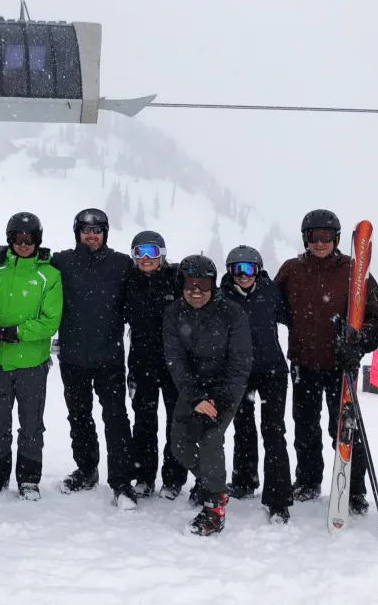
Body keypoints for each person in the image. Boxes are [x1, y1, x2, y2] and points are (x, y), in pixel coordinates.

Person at [274, 209, 378, 514]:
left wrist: (359, 342)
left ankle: (353, 489)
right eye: (313, 237)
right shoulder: (291, 270)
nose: (319, 243)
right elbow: (270, 305)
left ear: (336, 239)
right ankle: (308, 481)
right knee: (305, 428)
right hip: (304, 364)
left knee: (346, 429)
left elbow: (376, 316)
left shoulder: (354, 270)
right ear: (305, 239)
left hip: (341, 366)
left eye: (326, 237)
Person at [51, 208, 138, 509]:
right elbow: (32, 271)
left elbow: (144, 287)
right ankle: (87, 470)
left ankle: (122, 483)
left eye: (97, 230)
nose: (91, 235)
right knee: (79, 417)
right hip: (73, 357)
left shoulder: (121, 264)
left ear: (105, 233)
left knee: (115, 420)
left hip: (109, 358)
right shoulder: (61, 262)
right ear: (77, 232)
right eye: (86, 230)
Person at [163, 255, 253, 536]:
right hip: (192, 389)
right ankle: (212, 481)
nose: (196, 290)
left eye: (203, 284)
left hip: (225, 389)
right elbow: (175, 360)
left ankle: (214, 505)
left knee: (212, 439)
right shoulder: (174, 314)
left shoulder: (232, 313)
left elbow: (240, 362)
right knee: (179, 444)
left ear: (213, 285)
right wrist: (195, 397)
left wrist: (220, 399)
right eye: (190, 283)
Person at [0, 212, 63, 501]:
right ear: (9, 239)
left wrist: (12, 332)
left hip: (31, 364)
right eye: (18, 238)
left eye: (29, 239)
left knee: (31, 425)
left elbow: (50, 322)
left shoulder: (48, 275)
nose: (24, 244)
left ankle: (28, 479)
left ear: (38, 240)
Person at [218, 245, 293, 524]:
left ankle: (278, 499)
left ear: (259, 270)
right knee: (243, 428)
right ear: (229, 271)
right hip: (239, 373)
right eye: (238, 269)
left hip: (272, 371)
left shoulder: (271, 292)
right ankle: (244, 480)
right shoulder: (221, 296)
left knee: (273, 431)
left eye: (249, 269)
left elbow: (292, 317)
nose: (243, 275)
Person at [122, 230, 186, 500]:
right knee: (144, 422)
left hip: (174, 365)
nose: (146, 258)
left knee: (176, 423)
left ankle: (173, 479)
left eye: (152, 252)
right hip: (141, 362)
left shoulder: (176, 278)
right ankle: (144, 476)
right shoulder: (129, 281)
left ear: (162, 254)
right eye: (140, 252)